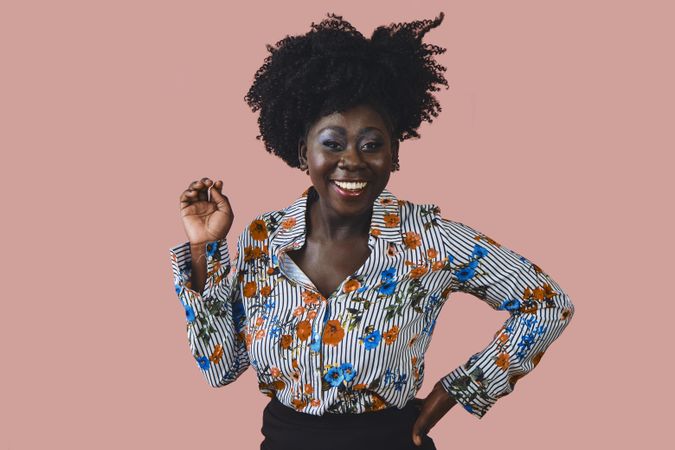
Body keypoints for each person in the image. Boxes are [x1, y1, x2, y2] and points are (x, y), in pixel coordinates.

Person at [169, 12, 575, 450]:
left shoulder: (429, 238)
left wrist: (456, 391)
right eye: (332, 143)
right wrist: (204, 247)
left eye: (371, 145)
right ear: (303, 153)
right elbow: (220, 368)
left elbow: (546, 303)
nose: (353, 161)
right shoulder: (263, 239)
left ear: (394, 154)